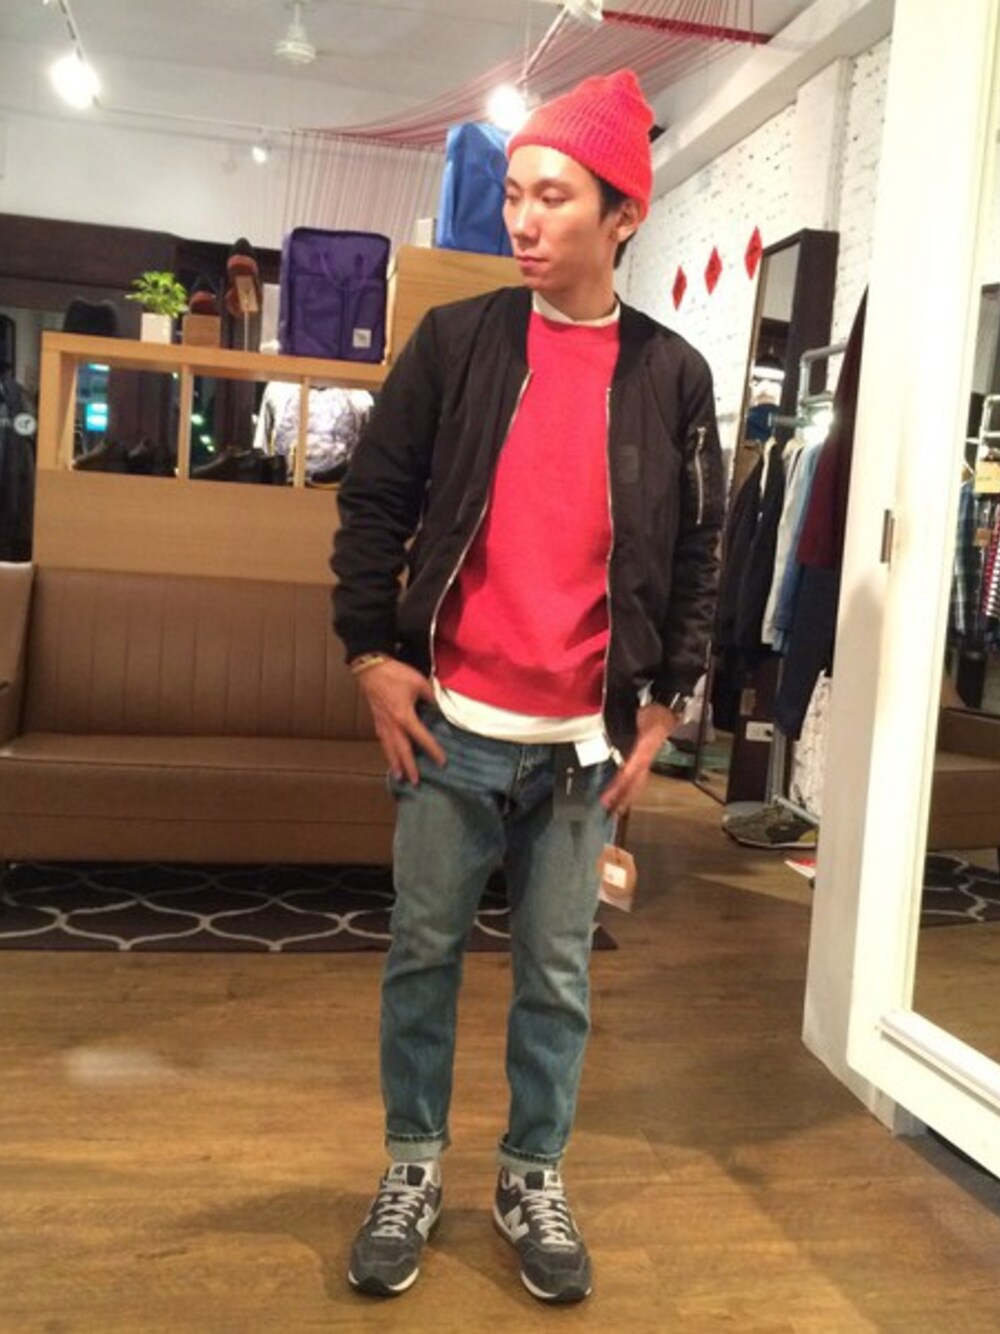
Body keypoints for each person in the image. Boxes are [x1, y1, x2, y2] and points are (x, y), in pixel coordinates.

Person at [331, 67, 724, 1305]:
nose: (522, 219)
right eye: (513, 194)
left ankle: (530, 1174)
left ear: (623, 215)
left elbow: (699, 549)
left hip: (579, 745)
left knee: (558, 977)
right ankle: (411, 1165)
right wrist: (371, 655)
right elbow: (373, 502)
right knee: (422, 956)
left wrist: (665, 700)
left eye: (553, 196)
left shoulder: (671, 375)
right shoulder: (457, 343)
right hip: (449, 726)